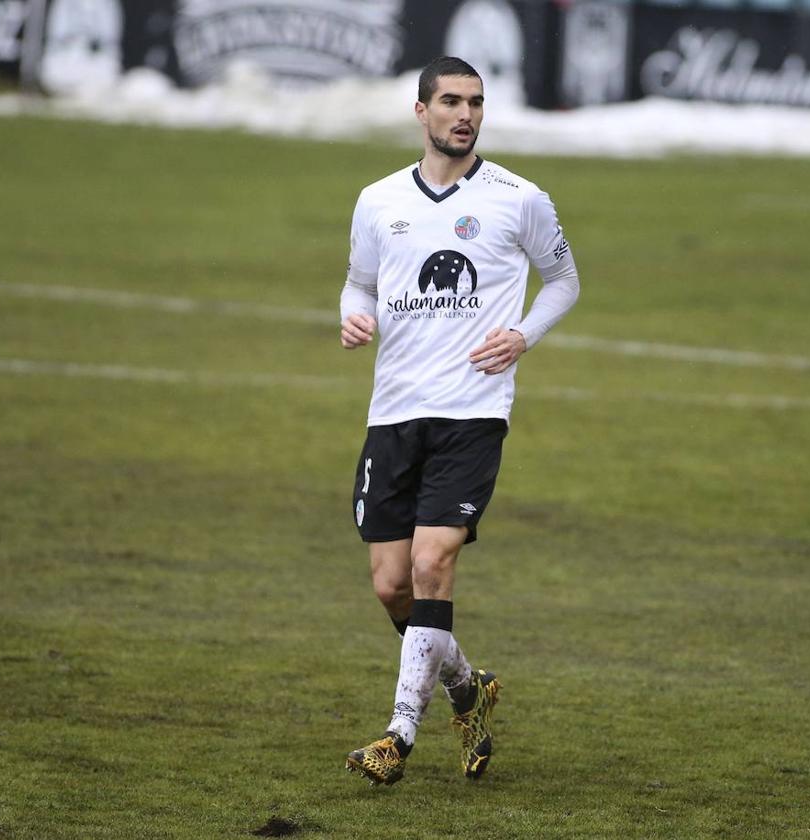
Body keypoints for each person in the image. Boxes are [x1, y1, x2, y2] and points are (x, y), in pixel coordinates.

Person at [338, 56, 580, 786]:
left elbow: (564, 279)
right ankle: (468, 692)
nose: (464, 114)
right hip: (394, 412)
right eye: (450, 101)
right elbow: (359, 281)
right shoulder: (378, 200)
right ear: (421, 111)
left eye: (475, 102)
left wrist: (524, 335)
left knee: (431, 562)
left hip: (474, 412)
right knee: (391, 585)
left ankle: (397, 736)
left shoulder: (519, 197)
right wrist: (353, 315)